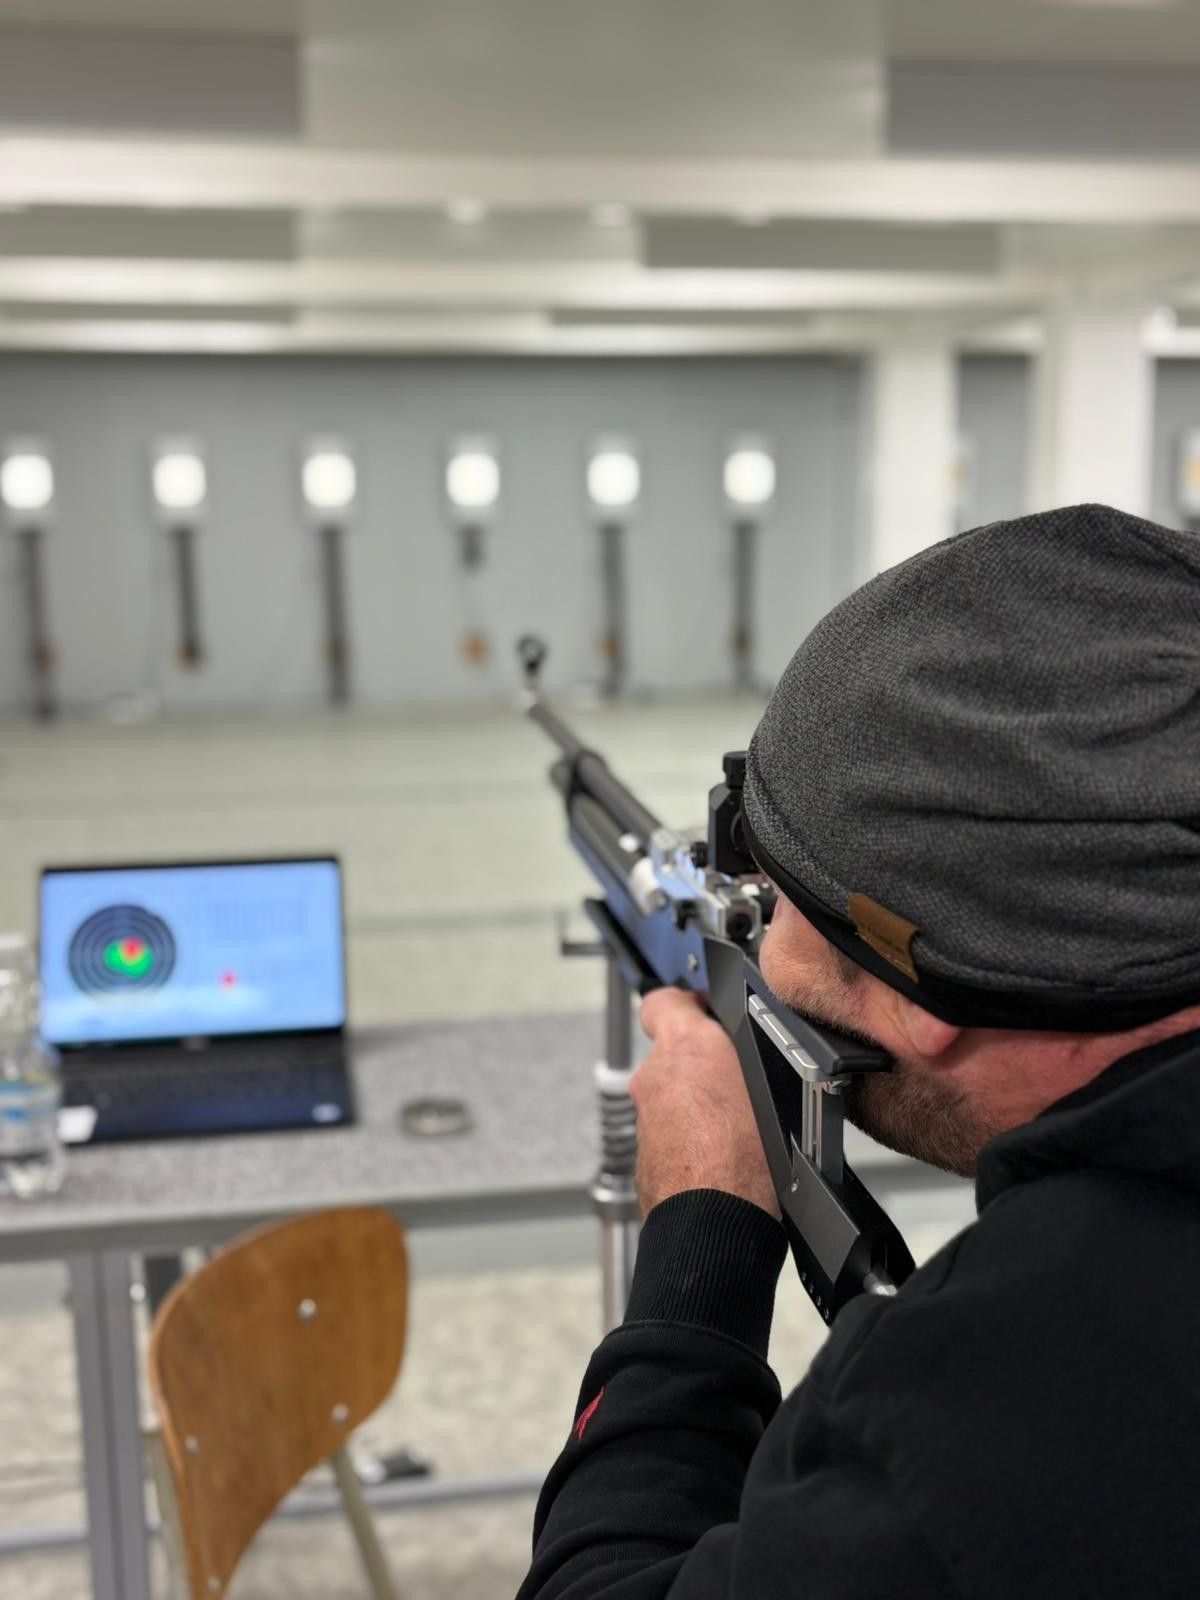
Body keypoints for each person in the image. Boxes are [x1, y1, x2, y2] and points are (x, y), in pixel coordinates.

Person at [516, 503, 1200, 1600]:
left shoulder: (1009, 1380)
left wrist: (699, 1237)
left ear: (925, 989)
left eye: (777, 894)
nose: (757, 927)